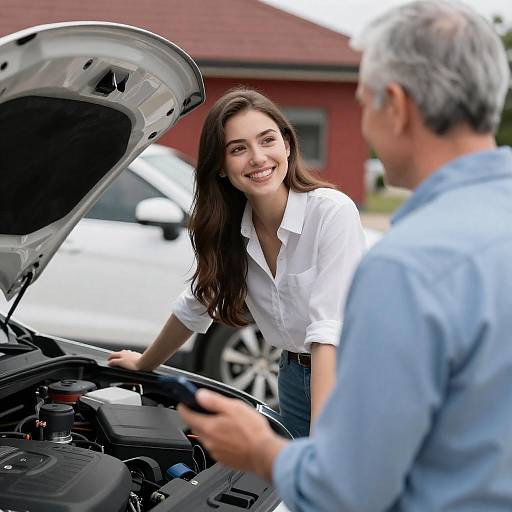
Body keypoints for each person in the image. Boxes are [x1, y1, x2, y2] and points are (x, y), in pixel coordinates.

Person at [177, 1, 512, 511]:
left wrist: (261, 450)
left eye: (364, 103)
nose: (366, 125)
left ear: (395, 106)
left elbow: (350, 489)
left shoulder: (409, 268)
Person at [107, 88, 367, 437]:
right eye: (238, 148)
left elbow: (326, 333)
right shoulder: (230, 231)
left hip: (352, 373)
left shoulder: (331, 212)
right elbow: (195, 306)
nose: (258, 158)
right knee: (291, 490)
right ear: (222, 167)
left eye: (267, 140)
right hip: (291, 374)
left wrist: (322, 445)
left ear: (287, 145)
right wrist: (143, 365)